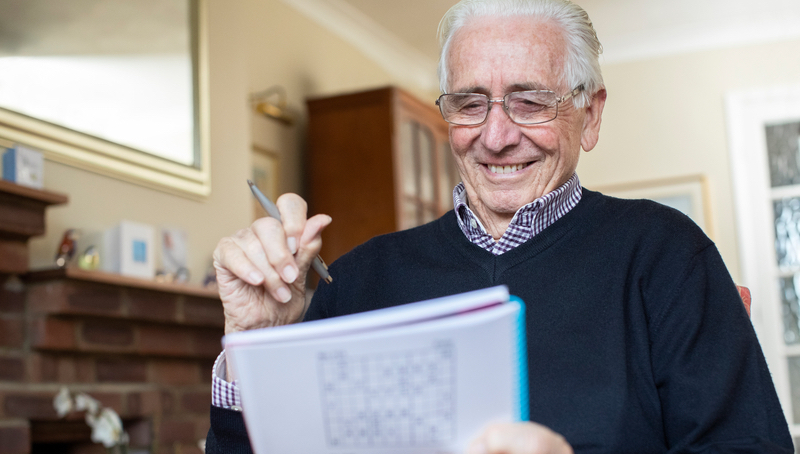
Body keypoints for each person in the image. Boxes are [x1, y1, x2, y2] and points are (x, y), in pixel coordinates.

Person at [206, 0, 793, 452]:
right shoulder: (353, 280)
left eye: (530, 101)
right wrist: (251, 348)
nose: (496, 135)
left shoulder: (667, 256)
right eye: (469, 103)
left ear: (589, 116)